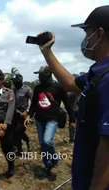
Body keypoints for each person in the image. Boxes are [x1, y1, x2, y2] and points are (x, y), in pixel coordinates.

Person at [35, 5, 109, 189]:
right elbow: (70, 83)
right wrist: (46, 51)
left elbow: (107, 152)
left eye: (87, 33)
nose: (85, 40)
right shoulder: (98, 73)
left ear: (99, 34)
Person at [24, 66, 76, 181]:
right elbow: (33, 105)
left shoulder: (58, 88)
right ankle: (47, 165)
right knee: (42, 143)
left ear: (47, 75)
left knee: (47, 140)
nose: (38, 77)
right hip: (39, 120)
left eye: (40, 75)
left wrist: (72, 119)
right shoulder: (38, 88)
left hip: (52, 119)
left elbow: (67, 104)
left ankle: (55, 159)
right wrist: (29, 116)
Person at [12, 74, 32, 154]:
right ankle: (19, 149)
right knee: (14, 132)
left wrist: (27, 111)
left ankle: (28, 141)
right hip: (14, 114)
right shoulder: (13, 90)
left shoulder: (27, 90)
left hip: (23, 115)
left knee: (18, 130)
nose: (13, 82)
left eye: (14, 81)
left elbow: (33, 101)